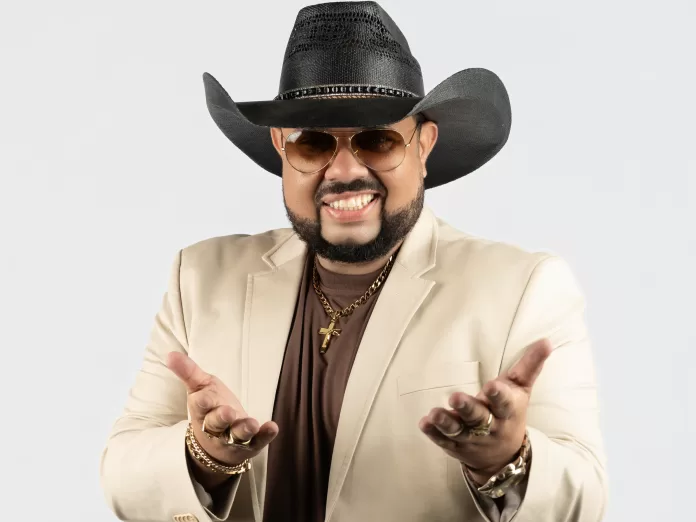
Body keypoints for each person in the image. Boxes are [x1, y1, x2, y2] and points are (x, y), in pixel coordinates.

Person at [99, 2, 608, 521]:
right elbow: (122, 478)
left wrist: (507, 462)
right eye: (312, 143)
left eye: (377, 139)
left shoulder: (523, 288)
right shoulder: (201, 277)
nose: (343, 171)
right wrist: (202, 456)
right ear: (280, 147)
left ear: (424, 145)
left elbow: (585, 499)